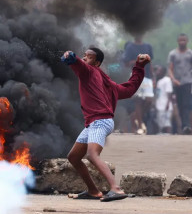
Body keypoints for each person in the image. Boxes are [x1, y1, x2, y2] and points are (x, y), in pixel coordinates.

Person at [62, 48, 150, 202]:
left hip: (100, 121)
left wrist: (72, 58)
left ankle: (116, 189)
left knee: (92, 155)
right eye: (84, 55)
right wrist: (139, 67)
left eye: (89, 57)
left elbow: (78, 65)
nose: (84, 58)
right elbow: (129, 89)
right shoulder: (107, 83)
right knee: (74, 157)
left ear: (96, 63)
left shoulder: (88, 71)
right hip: (93, 123)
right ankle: (93, 191)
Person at [168, 33, 192, 134]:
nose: (182, 42)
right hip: (177, 83)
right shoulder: (173, 54)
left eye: (184, 40)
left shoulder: (191, 54)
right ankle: (183, 125)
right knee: (180, 104)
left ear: (187, 41)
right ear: (178, 41)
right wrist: (173, 79)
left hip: (187, 81)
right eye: (180, 40)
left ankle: (187, 125)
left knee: (187, 104)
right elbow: (170, 69)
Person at [123, 35, 154, 135]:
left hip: (147, 76)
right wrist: (137, 61)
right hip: (136, 75)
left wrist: (153, 78)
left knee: (149, 100)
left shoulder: (148, 46)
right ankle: (140, 125)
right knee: (138, 101)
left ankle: (136, 117)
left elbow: (151, 63)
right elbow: (126, 64)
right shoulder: (130, 47)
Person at [155, 65, 173, 134]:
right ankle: (161, 133)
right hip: (159, 105)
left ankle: (169, 134)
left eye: (159, 71)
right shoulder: (159, 81)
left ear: (163, 72)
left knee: (167, 121)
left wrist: (168, 104)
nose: (157, 72)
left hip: (166, 105)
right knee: (160, 121)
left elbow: (169, 93)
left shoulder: (167, 80)